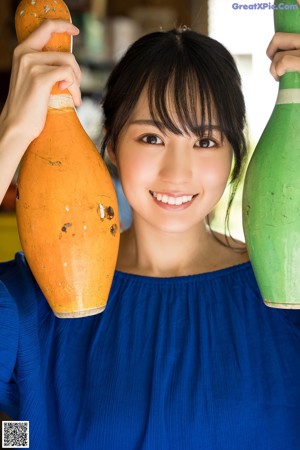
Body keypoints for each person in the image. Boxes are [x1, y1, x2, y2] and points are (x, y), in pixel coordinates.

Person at [0, 19, 300, 450]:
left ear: (235, 153)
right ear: (111, 146)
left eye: (206, 141)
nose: (177, 174)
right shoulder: (38, 302)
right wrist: (12, 133)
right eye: (151, 136)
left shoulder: (289, 298)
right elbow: (15, 433)